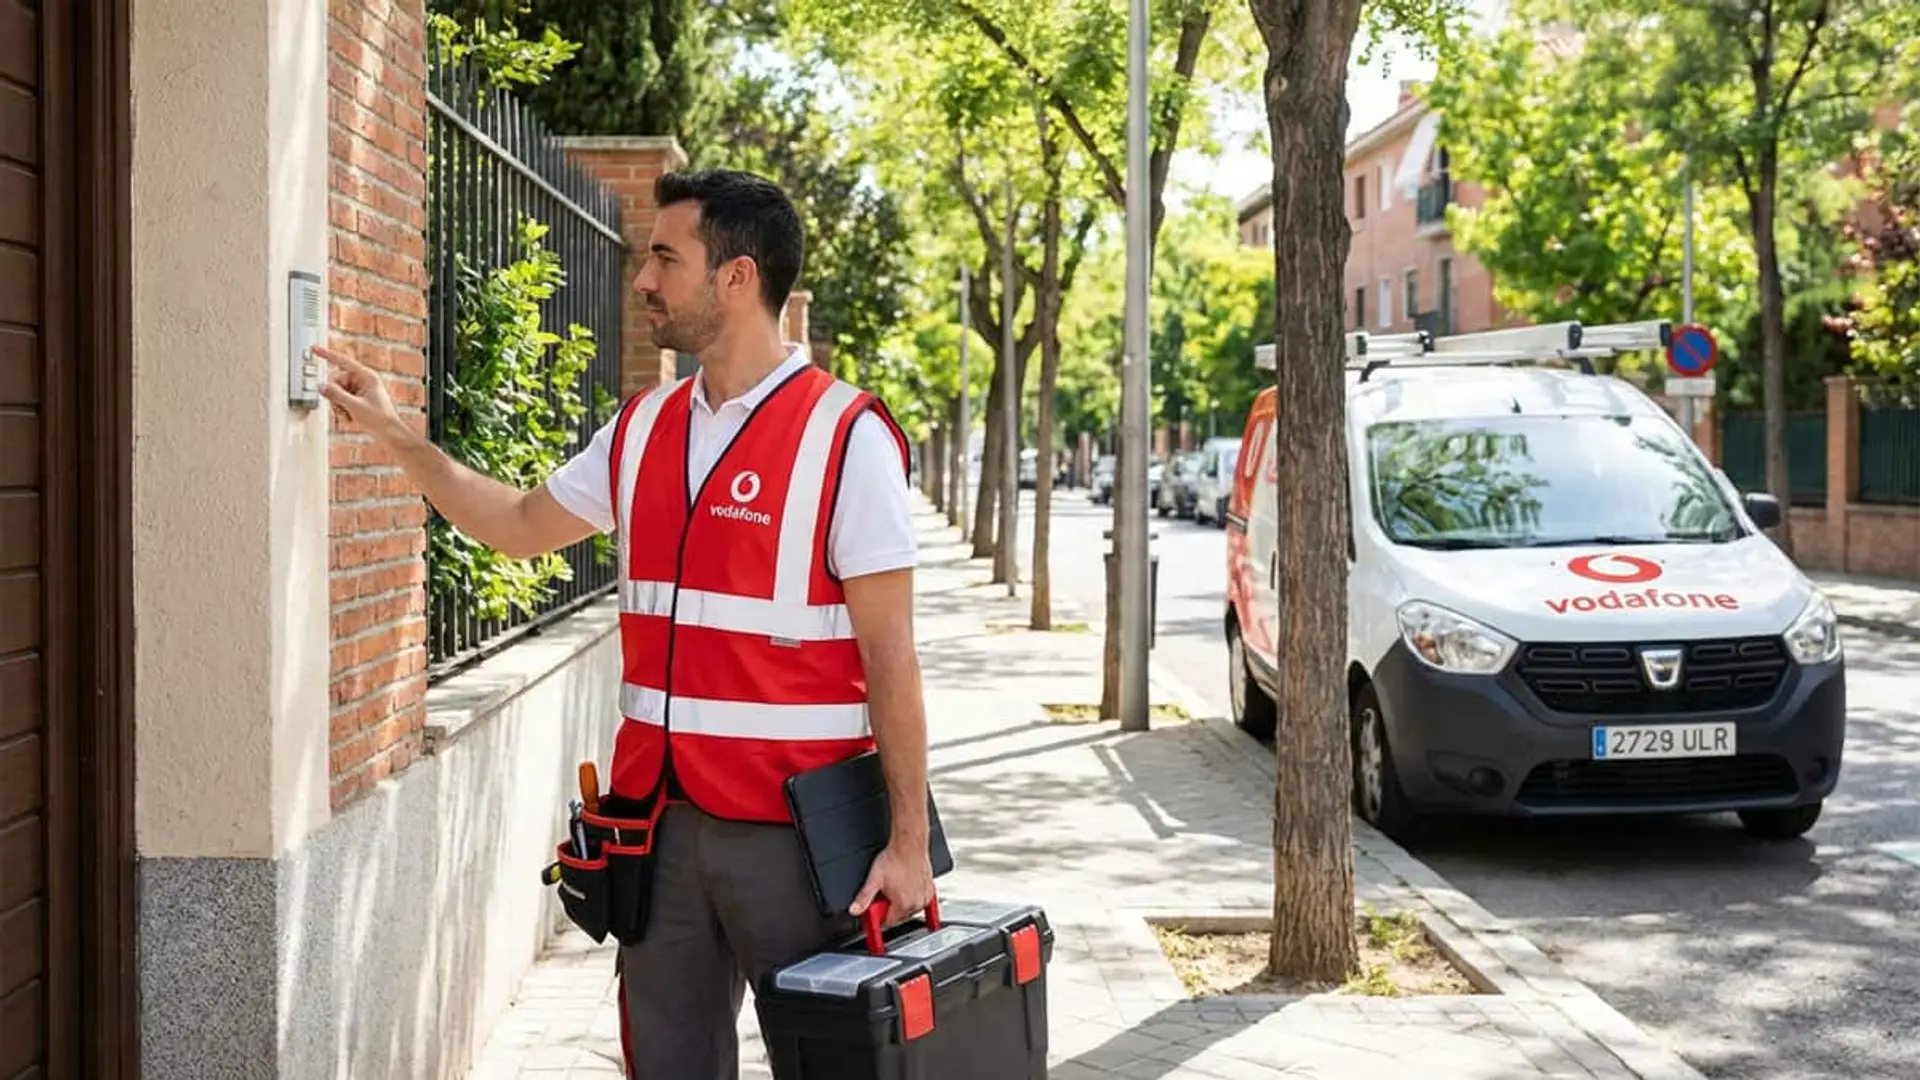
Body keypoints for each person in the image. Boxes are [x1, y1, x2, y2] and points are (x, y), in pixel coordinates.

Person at [317, 168, 935, 1078]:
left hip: (801, 839)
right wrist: (398, 438)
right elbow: (520, 526)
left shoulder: (847, 437)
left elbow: (892, 658)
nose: (642, 281)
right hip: (661, 830)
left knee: (833, 1066)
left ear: (737, 277)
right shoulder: (641, 429)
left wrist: (909, 844)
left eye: (664, 258)